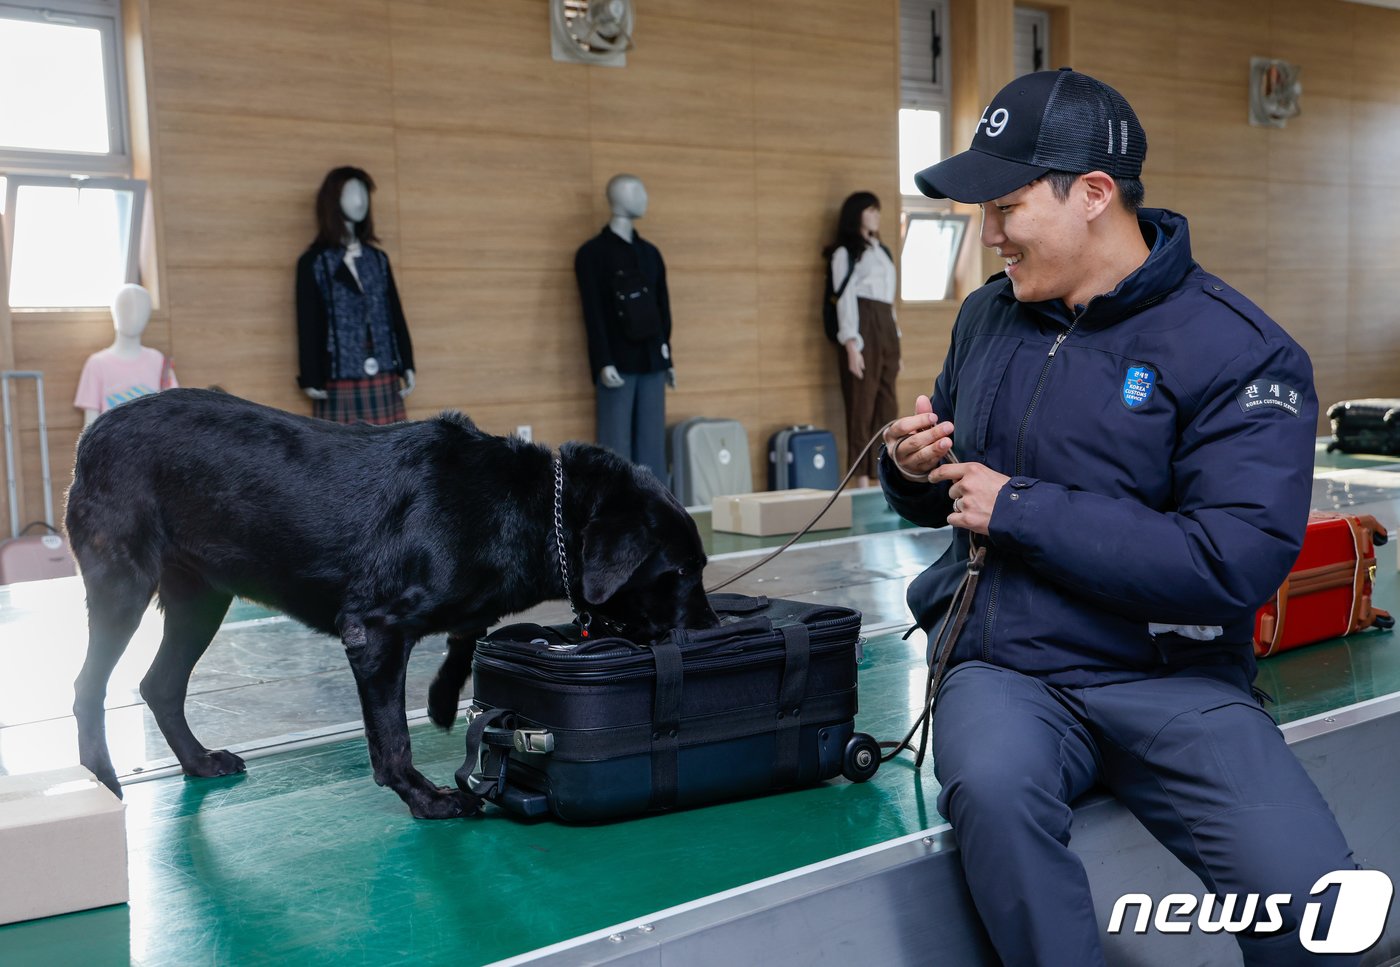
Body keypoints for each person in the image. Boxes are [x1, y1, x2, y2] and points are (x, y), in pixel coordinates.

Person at [880, 68, 1359, 966]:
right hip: (1008, 668)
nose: (990, 235)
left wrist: (1019, 508)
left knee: (1324, 921)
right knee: (990, 788)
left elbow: (1233, 561)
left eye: (1008, 207)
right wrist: (913, 470)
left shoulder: (1240, 350)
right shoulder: (989, 317)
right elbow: (951, 478)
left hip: (1173, 678)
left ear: (1094, 194)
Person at [573, 173, 674, 482]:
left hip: (652, 359)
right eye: (637, 191)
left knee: (652, 442)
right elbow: (593, 313)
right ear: (617, 199)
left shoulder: (650, 253)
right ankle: (616, 515)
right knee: (614, 445)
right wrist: (602, 361)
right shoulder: (592, 254)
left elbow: (663, 308)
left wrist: (666, 356)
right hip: (617, 361)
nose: (644, 198)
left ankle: (656, 512)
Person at [296, 166, 415, 425]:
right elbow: (308, 323)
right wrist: (311, 375)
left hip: (384, 368)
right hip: (338, 374)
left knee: (393, 452)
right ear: (332, 200)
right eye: (351, 194)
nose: (360, 201)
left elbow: (394, 314)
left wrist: (407, 362)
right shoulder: (315, 263)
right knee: (341, 455)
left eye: (363, 194)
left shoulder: (378, 260)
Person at [823, 192, 899, 488]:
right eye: (870, 210)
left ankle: (885, 475)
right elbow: (845, 299)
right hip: (863, 324)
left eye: (877, 210)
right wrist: (851, 343)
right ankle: (861, 479)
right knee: (861, 405)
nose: (876, 215)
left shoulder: (883, 251)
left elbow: (889, 300)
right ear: (856, 214)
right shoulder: (846, 252)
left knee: (887, 405)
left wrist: (896, 339)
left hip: (885, 327)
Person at [75, 283, 177, 426]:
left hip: (155, 445)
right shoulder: (97, 364)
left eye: (141, 309)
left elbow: (174, 410)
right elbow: (89, 426)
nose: (134, 315)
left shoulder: (158, 360)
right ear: (114, 312)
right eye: (126, 308)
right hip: (112, 445)